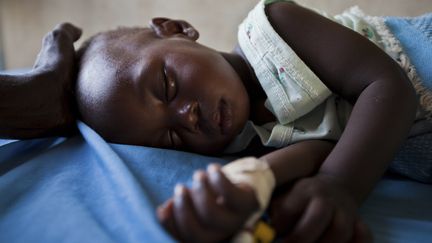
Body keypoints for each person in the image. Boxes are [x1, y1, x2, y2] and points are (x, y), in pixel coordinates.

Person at [1, 0, 431, 242]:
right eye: (170, 137)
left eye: (167, 85)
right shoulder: (239, 140)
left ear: (177, 28)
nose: (187, 118)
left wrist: (340, 186)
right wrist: (241, 194)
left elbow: (385, 87)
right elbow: (319, 149)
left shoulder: (274, 30)